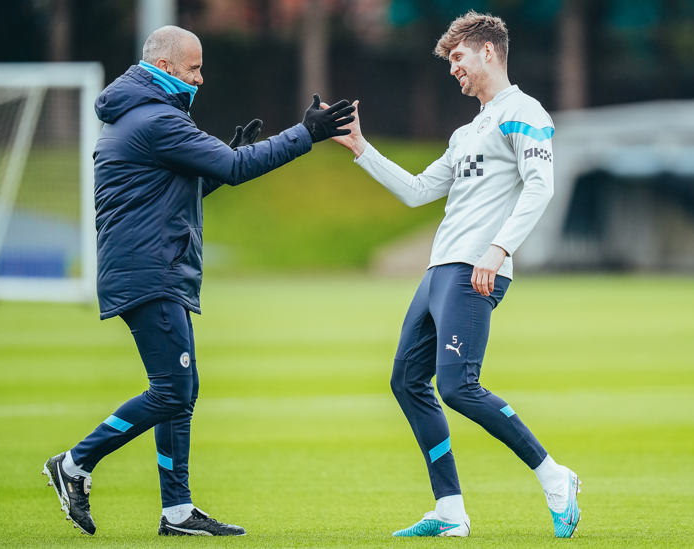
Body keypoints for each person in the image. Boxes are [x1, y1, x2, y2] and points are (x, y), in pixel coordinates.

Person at [41, 25, 355, 537]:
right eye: (194, 69)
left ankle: (178, 511)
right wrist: (306, 134)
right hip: (151, 271)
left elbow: (173, 192)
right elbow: (234, 169)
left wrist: (219, 159)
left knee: (179, 389)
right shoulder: (156, 119)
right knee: (172, 391)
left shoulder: (139, 115)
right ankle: (74, 463)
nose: (201, 79)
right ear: (164, 69)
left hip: (149, 266)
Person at [325, 11, 580, 539]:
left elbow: (541, 186)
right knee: (406, 381)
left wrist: (498, 250)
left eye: (458, 58)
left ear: (489, 51)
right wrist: (360, 148)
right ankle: (449, 510)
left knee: (459, 387)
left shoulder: (524, 111)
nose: (453, 70)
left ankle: (555, 476)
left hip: (477, 268)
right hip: (441, 270)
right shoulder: (467, 132)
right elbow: (418, 190)